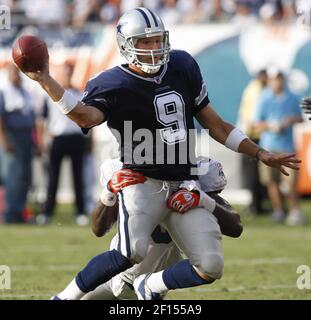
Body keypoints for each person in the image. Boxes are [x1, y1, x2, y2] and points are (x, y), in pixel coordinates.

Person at [19, 7, 300, 300]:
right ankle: (63, 298)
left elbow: (215, 124)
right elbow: (86, 117)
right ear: (127, 44)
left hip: (181, 182)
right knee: (131, 251)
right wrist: (46, 81)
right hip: (141, 181)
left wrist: (259, 153)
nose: (154, 48)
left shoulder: (182, 65)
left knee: (211, 265)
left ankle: (150, 286)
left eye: (157, 40)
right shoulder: (112, 82)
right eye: (144, 42)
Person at [82, 156, 243, 300]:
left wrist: (203, 199)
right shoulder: (129, 169)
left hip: (155, 282)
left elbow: (236, 227)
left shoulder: (194, 175)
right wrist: (109, 191)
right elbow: (98, 229)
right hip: (118, 274)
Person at [35, 63, 88, 226]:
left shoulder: (79, 93)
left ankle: (80, 211)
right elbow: (41, 120)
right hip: (58, 138)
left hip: (76, 138)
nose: (67, 76)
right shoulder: (50, 94)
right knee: (53, 177)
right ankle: (47, 212)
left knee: (78, 177)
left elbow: (86, 119)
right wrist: (41, 140)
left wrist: (89, 141)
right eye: (64, 73)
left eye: (69, 73)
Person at [253, 68, 304, 225]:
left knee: (290, 182)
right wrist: (271, 126)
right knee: (271, 181)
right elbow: (256, 124)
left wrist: (291, 120)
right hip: (268, 147)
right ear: (269, 80)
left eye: (279, 78)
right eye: (274, 79)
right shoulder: (264, 98)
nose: (277, 82)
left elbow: (300, 118)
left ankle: (295, 211)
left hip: (287, 147)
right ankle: (279, 210)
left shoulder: (293, 97)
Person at [0, 64, 37, 223]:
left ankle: (21, 210)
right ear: (8, 75)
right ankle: (11, 214)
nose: (16, 77)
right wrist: (5, 141)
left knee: (25, 176)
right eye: (13, 74)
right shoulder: (4, 93)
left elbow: (33, 118)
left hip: (26, 137)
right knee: (13, 177)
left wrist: (35, 141)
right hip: (12, 137)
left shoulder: (25, 93)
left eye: (18, 73)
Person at [237, 69, 268, 214]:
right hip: (251, 136)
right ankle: (255, 205)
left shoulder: (254, 88)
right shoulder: (256, 91)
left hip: (249, 134)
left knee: (254, 172)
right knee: (253, 173)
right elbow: (252, 119)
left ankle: (257, 204)